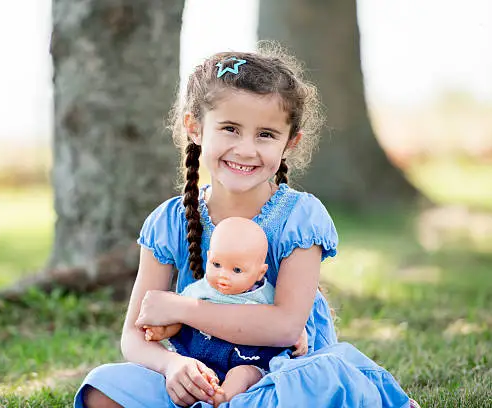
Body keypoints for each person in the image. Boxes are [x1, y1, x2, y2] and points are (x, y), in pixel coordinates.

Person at [74, 44, 418, 408]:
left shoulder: (300, 217)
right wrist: (173, 364)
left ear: (290, 142)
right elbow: (133, 335)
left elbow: (285, 327)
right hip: (202, 375)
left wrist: (180, 308)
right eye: (230, 129)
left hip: (282, 374)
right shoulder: (169, 221)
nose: (245, 149)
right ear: (195, 128)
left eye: (266, 135)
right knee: (102, 387)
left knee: (323, 379)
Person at [143, 217, 308, 407]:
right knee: (198, 372)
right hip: (202, 356)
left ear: (260, 273)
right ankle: (207, 389)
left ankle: (222, 397)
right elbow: (179, 317)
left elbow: (285, 319)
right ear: (209, 256)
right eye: (216, 264)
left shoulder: (265, 294)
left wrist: (298, 330)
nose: (223, 275)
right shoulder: (199, 290)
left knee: (243, 374)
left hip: (247, 359)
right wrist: (164, 330)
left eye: (236, 270)